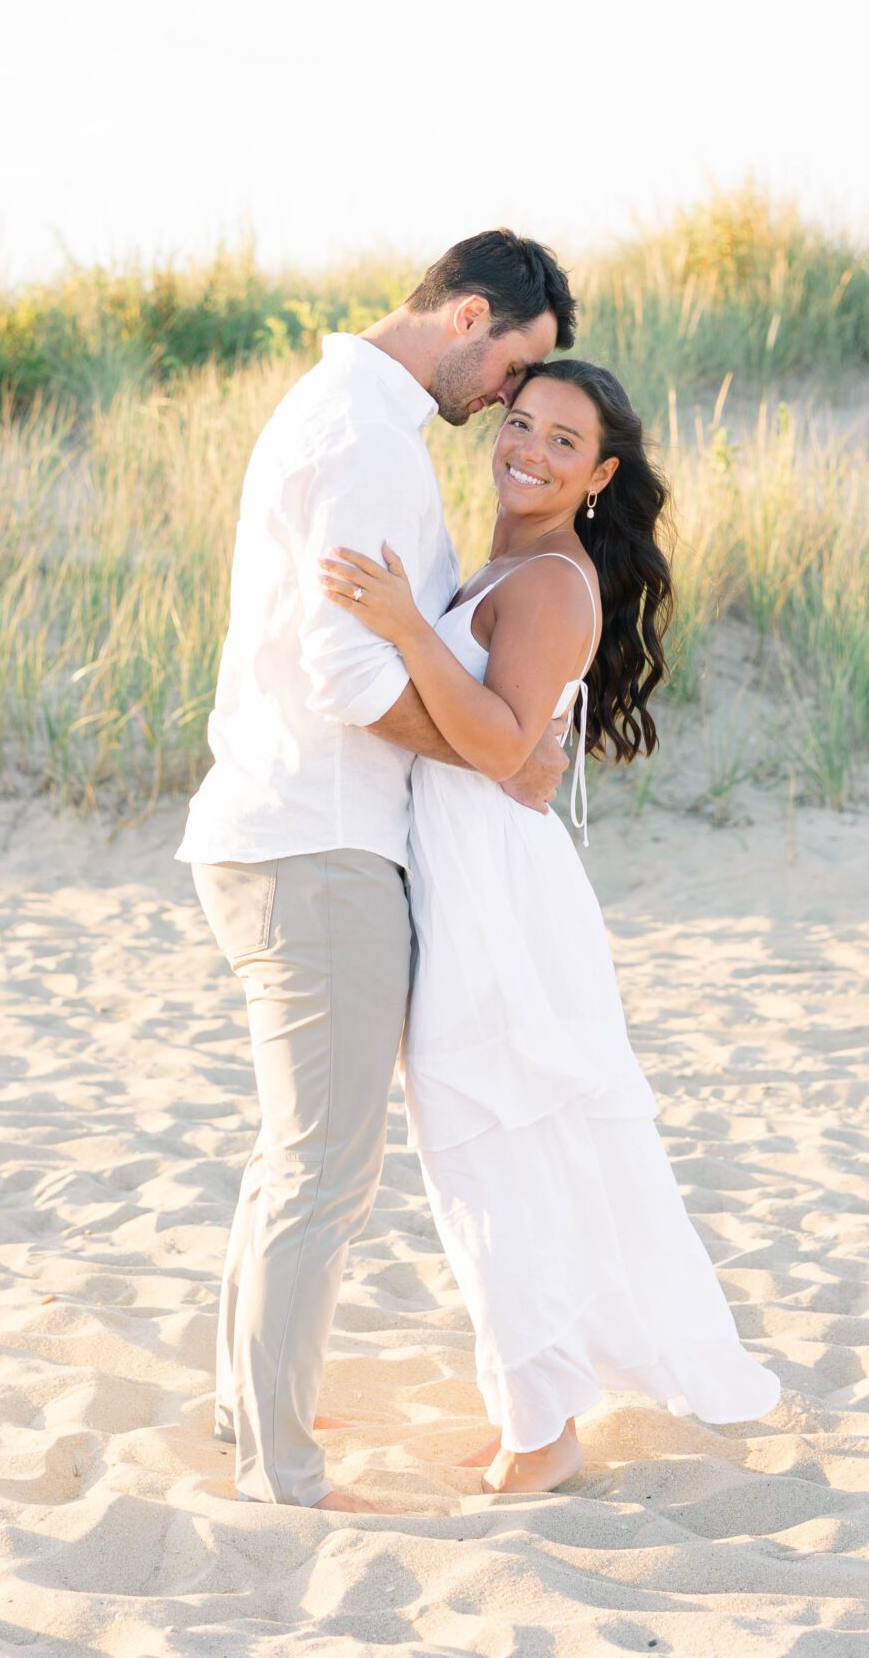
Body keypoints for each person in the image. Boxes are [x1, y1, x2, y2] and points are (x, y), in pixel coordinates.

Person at [321, 358, 780, 1495]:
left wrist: (403, 627)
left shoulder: (556, 582)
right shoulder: (515, 564)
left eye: (562, 441)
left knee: (488, 1138)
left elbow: (499, 740)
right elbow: (517, 752)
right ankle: (538, 1397)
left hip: (499, 895)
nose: (527, 448)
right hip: (471, 871)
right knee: (486, 1141)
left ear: (600, 472)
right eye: (519, 423)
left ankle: (543, 1427)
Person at [177, 230, 577, 1511]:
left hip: (298, 829)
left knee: (295, 1153)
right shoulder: (363, 438)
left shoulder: (352, 414)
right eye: (515, 363)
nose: (508, 399)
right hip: (319, 840)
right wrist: (496, 747)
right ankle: (278, 1470)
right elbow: (354, 681)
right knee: (324, 1168)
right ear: (468, 316)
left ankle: (248, 1406)